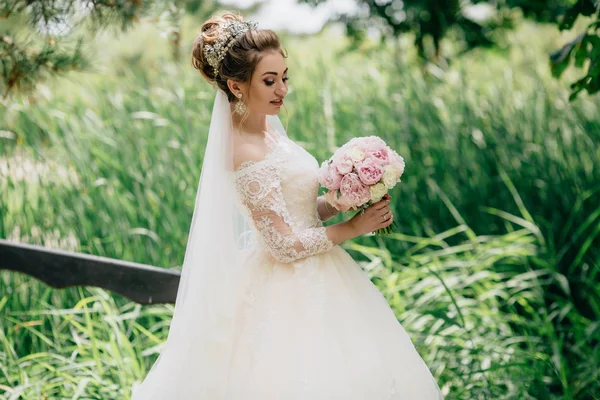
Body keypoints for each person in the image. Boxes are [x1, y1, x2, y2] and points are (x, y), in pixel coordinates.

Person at [131, 12, 444, 400]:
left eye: (284, 78)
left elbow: (299, 211)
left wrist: (341, 199)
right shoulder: (243, 151)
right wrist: (353, 228)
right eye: (269, 81)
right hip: (286, 288)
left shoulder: (268, 132)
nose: (282, 89)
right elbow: (281, 244)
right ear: (236, 85)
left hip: (324, 272)